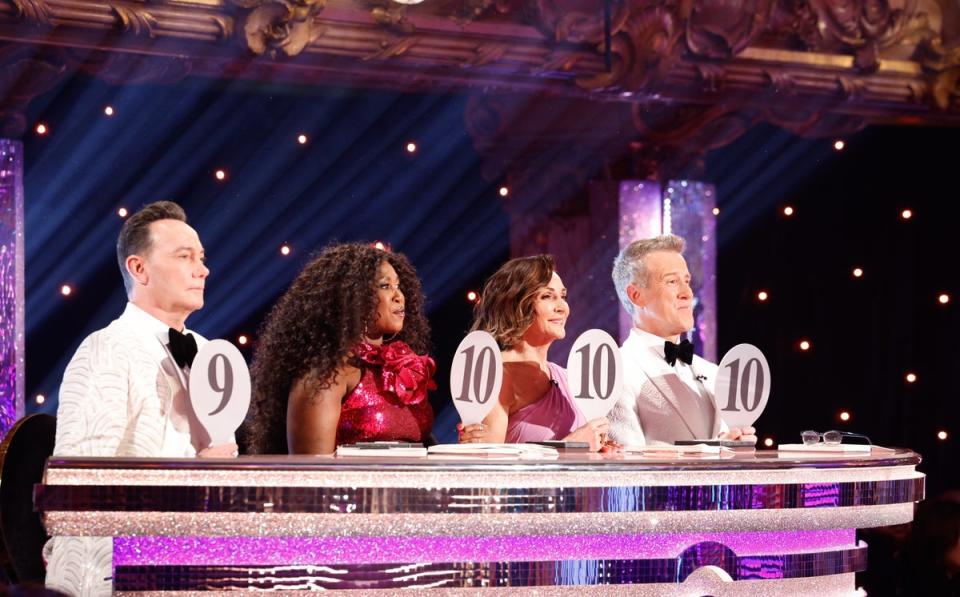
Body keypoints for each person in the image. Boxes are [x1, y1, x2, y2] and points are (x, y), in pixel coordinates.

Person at [48, 201, 235, 595]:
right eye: (185, 257)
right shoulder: (106, 348)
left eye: (201, 258)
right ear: (138, 268)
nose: (202, 269)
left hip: (199, 561)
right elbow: (79, 484)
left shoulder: (206, 350)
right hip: (120, 570)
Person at [244, 243, 435, 455]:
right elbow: (311, 475)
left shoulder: (402, 371)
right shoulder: (326, 374)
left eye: (398, 285)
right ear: (353, 296)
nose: (399, 296)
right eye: (385, 286)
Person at [607, 234, 757, 446]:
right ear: (636, 295)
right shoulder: (616, 370)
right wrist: (713, 452)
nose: (687, 293)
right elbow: (623, 464)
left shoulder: (713, 371)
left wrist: (736, 446)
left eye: (686, 281)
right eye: (672, 281)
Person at [457, 255, 613, 452]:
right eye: (547, 296)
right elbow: (487, 473)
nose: (562, 307)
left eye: (563, 296)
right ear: (516, 305)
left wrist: (602, 451)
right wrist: (570, 447)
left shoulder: (566, 377)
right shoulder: (495, 379)